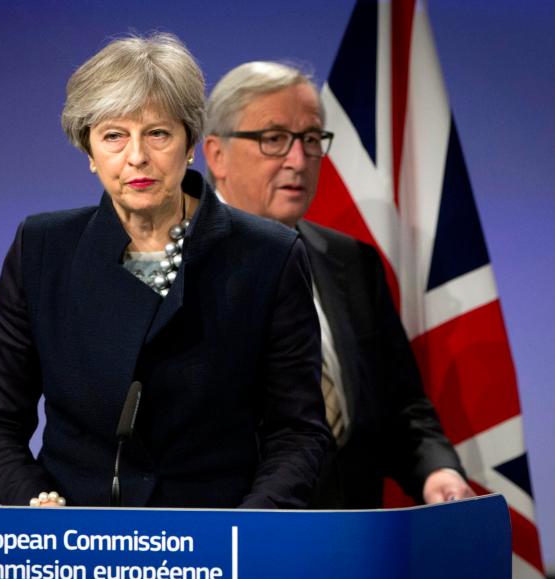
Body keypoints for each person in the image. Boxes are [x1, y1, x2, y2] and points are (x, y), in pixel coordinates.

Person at [0, 37, 331, 509]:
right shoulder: (42, 249)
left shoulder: (268, 255)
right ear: (90, 151)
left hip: (218, 550)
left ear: (190, 142)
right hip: (79, 545)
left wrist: (248, 529)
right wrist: (38, 503)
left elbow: (297, 431)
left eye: (157, 133)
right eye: (114, 136)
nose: (136, 156)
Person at [203, 61, 473, 508]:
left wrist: (436, 470)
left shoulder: (351, 262)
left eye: (310, 139)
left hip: (350, 550)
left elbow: (402, 407)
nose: (298, 160)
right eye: (274, 139)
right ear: (216, 154)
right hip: (238, 545)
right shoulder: (182, 265)